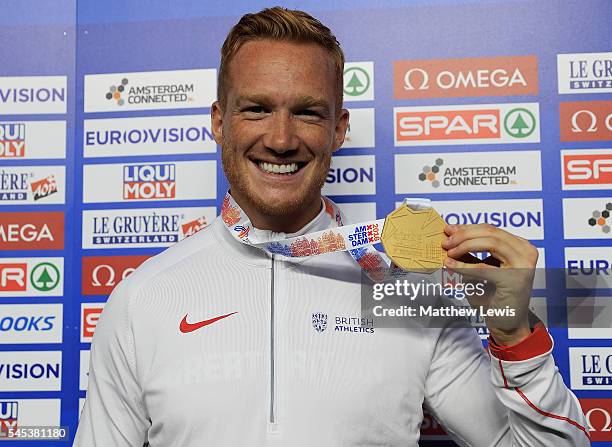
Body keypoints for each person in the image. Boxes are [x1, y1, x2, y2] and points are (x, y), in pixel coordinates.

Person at [74, 7, 590, 446]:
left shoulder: (404, 292)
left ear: (339, 129)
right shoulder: (144, 298)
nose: (280, 139)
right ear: (218, 121)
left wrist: (514, 337)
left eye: (308, 113)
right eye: (256, 109)